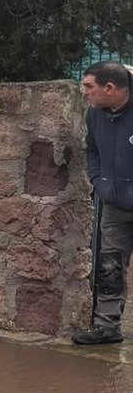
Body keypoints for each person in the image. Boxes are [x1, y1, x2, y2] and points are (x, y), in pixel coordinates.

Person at [75, 60, 133, 345]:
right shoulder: (95, 114)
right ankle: (107, 328)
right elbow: (92, 150)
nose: (84, 91)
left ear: (109, 88)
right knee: (109, 267)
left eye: (89, 86)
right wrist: (99, 182)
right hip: (114, 206)